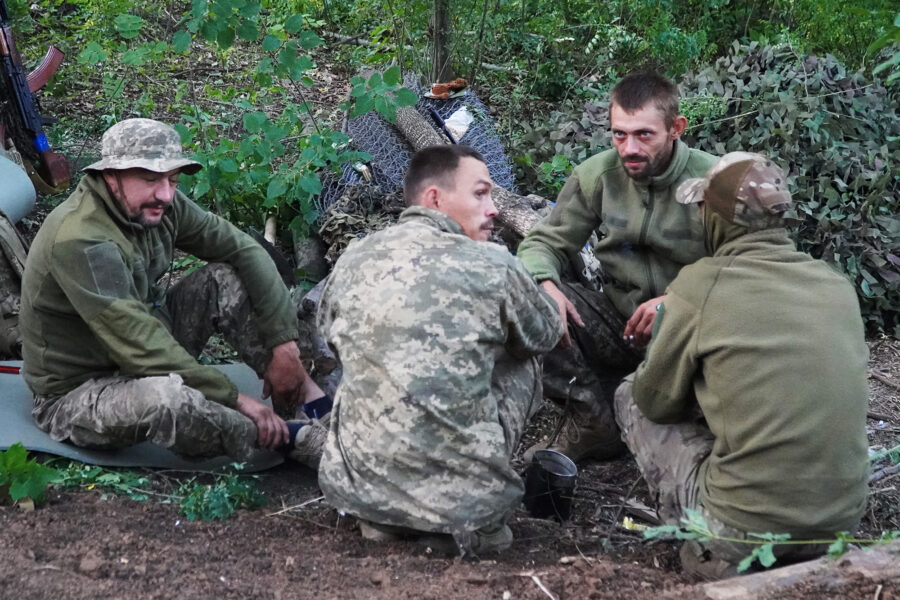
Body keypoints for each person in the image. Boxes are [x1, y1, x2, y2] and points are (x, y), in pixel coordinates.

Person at [614, 152, 869, 578]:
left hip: (739, 534)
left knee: (630, 395)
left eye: (702, 209)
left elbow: (655, 403)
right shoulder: (835, 284)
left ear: (716, 219)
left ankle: (696, 536)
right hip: (839, 524)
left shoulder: (701, 285)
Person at [19, 118, 329, 466]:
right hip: (80, 390)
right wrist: (235, 399)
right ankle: (287, 438)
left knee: (223, 278)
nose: (166, 194)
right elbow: (139, 343)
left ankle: (305, 397)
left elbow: (244, 249)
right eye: (150, 179)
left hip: (145, 348)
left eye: (173, 179)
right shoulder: (82, 240)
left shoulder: (158, 202)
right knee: (166, 400)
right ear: (111, 176)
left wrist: (283, 344)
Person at [316, 145, 563, 555]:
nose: (494, 210)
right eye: (481, 194)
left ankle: (389, 516)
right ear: (435, 199)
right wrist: (548, 290)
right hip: (467, 511)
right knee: (524, 357)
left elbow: (329, 337)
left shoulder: (355, 255)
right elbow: (545, 335)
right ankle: (458, 512)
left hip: (359, 493)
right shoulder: (494, 264)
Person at [517, 71, 717, 462]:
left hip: (689, 331)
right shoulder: (598, 175)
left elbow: (748, 271)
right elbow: (543, 243)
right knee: (526, 300)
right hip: (620, 323)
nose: (629, 148)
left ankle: (694, 431)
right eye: (619, 134)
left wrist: (678, 303)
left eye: (644, 134)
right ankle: (595, 422)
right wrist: (544, 283)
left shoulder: (714, 181)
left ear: (676, 128)